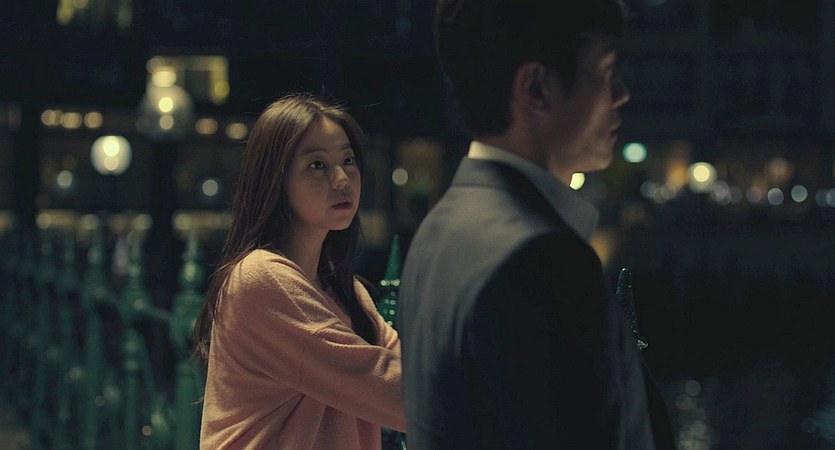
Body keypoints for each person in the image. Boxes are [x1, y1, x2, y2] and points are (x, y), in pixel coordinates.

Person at [397, 0, 676, 448]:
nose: (621, 93)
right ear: (537, 88)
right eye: (604, 72)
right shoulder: (542, 258)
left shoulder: (439, 229)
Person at [192, 93, 406, 449]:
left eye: (348, 160)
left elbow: (402, 371)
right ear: (276, 180)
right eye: (317, 165)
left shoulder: (346, 290)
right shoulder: (260, 279)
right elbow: (395, 390)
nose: (342, 179)